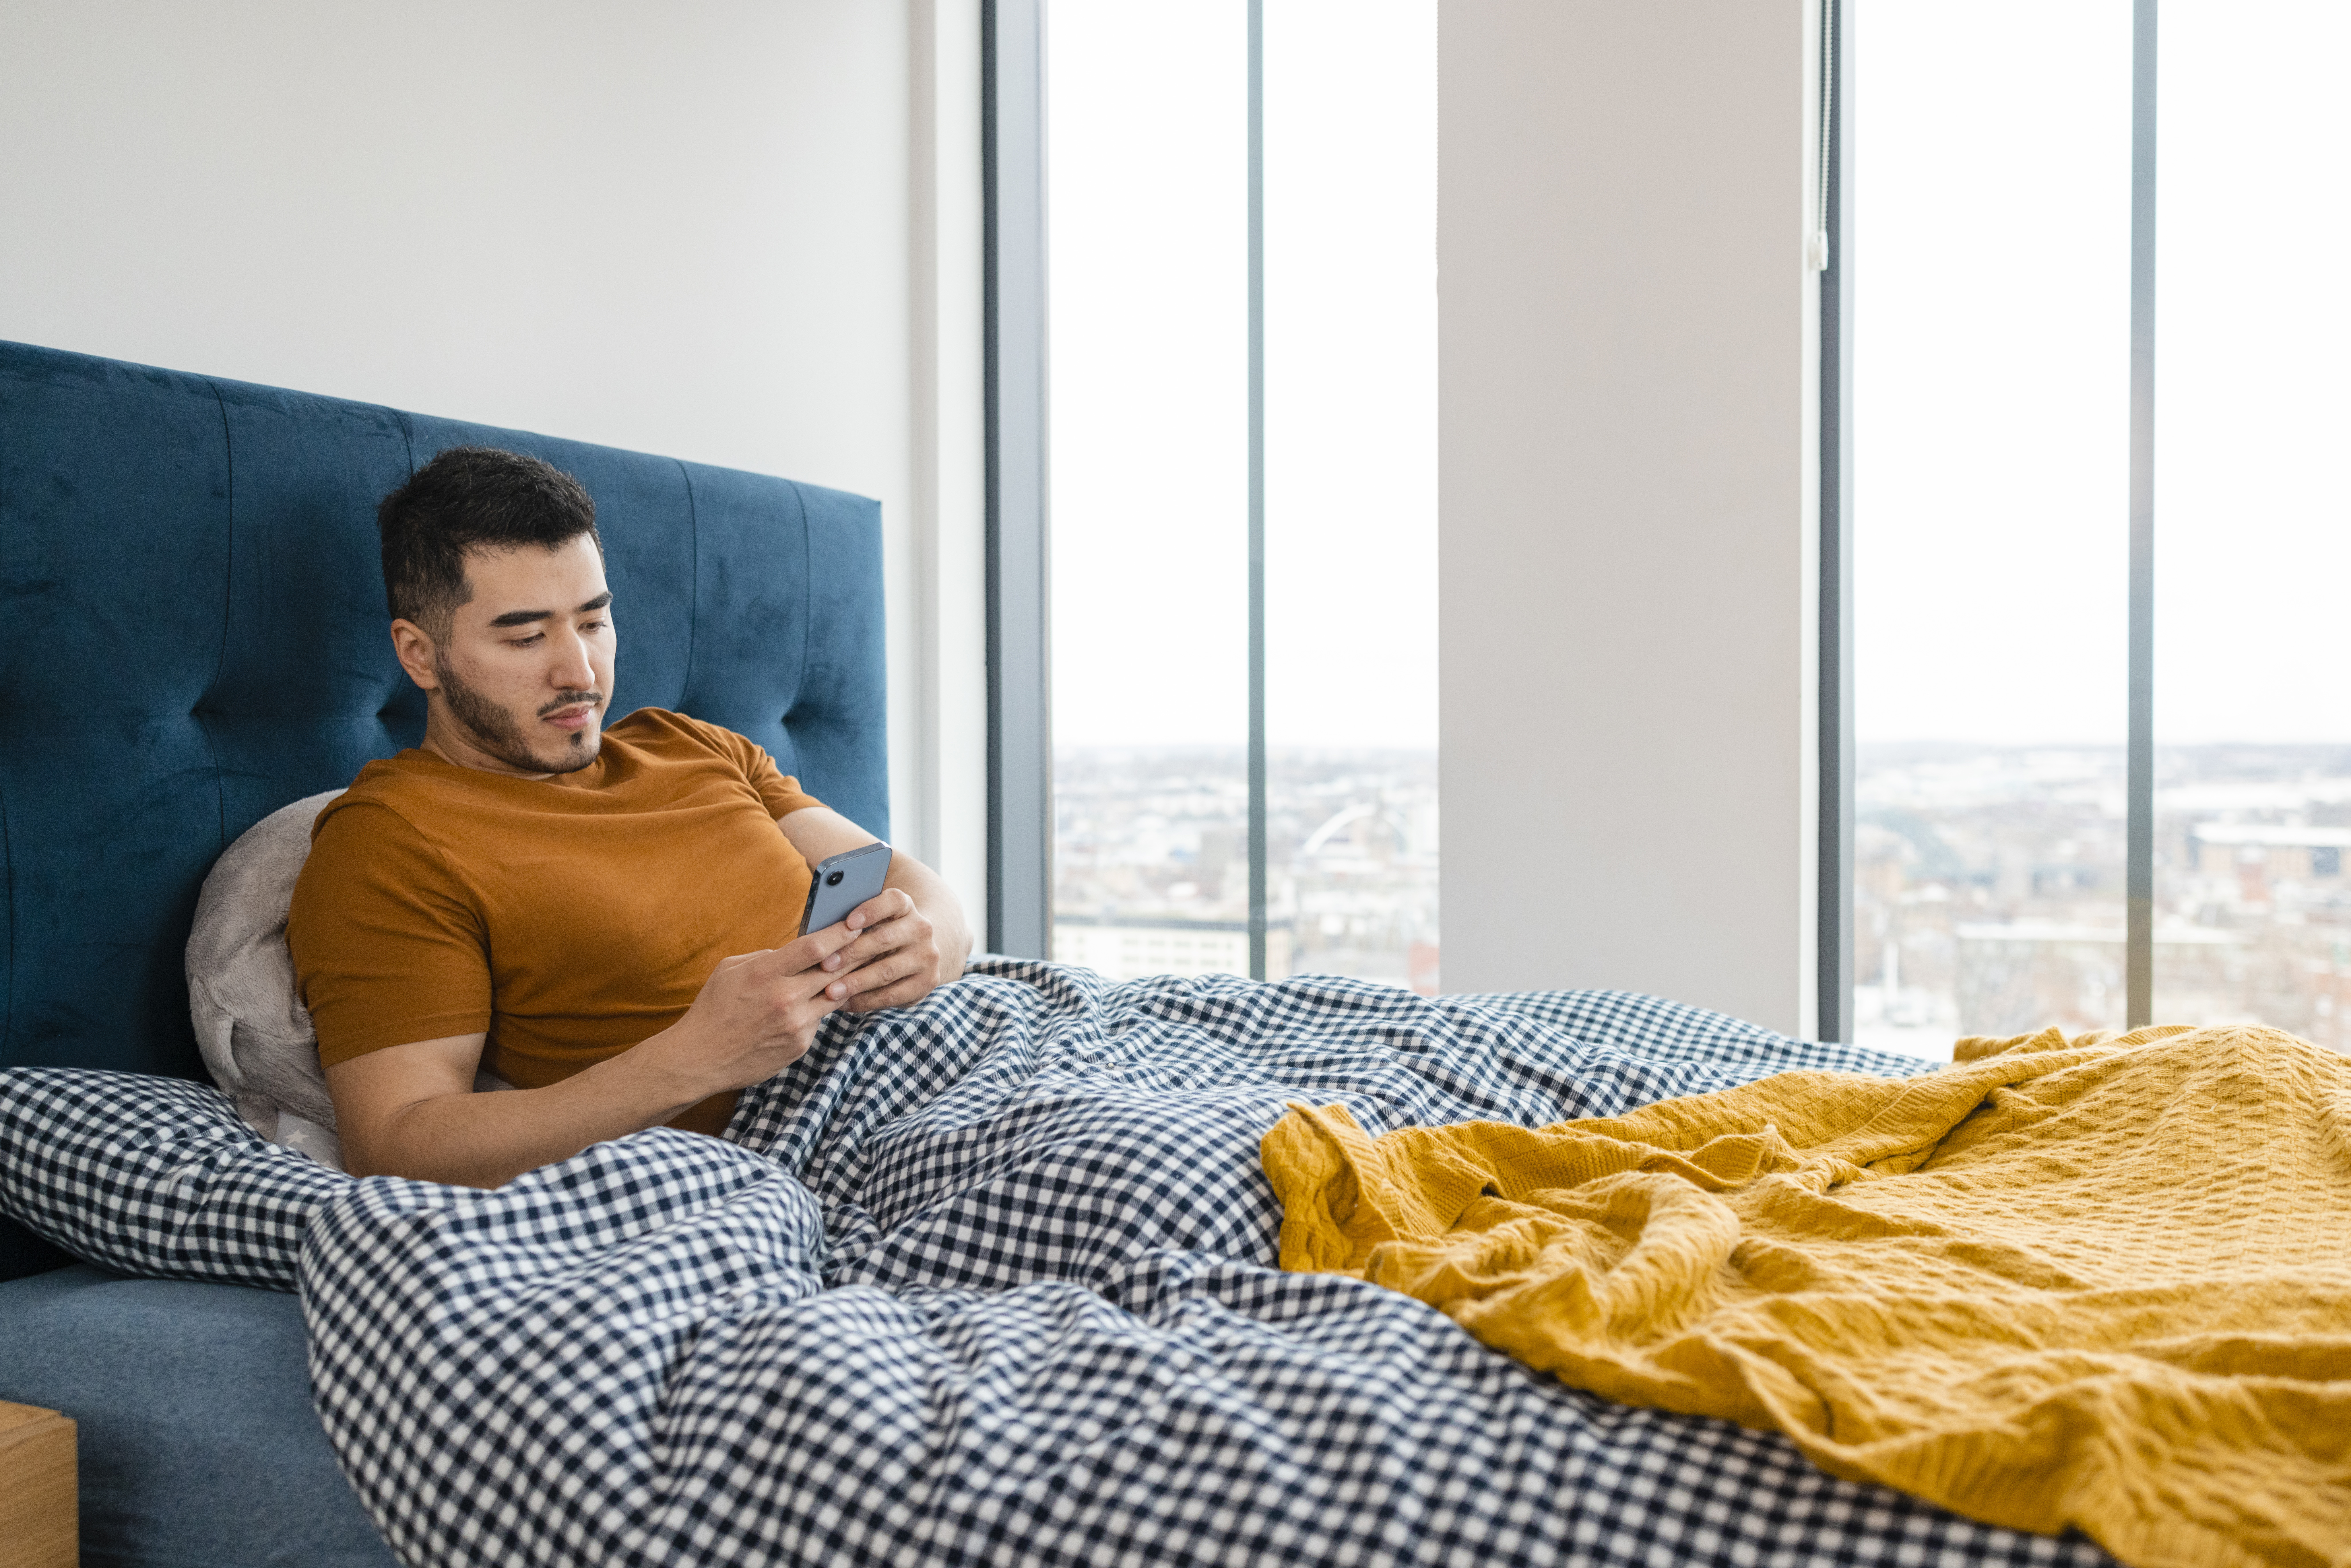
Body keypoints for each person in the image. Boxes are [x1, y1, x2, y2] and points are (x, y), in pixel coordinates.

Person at [286, 447, 970, 1189]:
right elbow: (397, 1144)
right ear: (420, 656)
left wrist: (926, 936)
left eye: (593, 621)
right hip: (831, 1150)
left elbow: (899, 879)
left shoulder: (691, 744)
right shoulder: (393, 840)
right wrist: (692, 1059)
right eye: (525, 636)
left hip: (972, 1051)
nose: (579, 672)